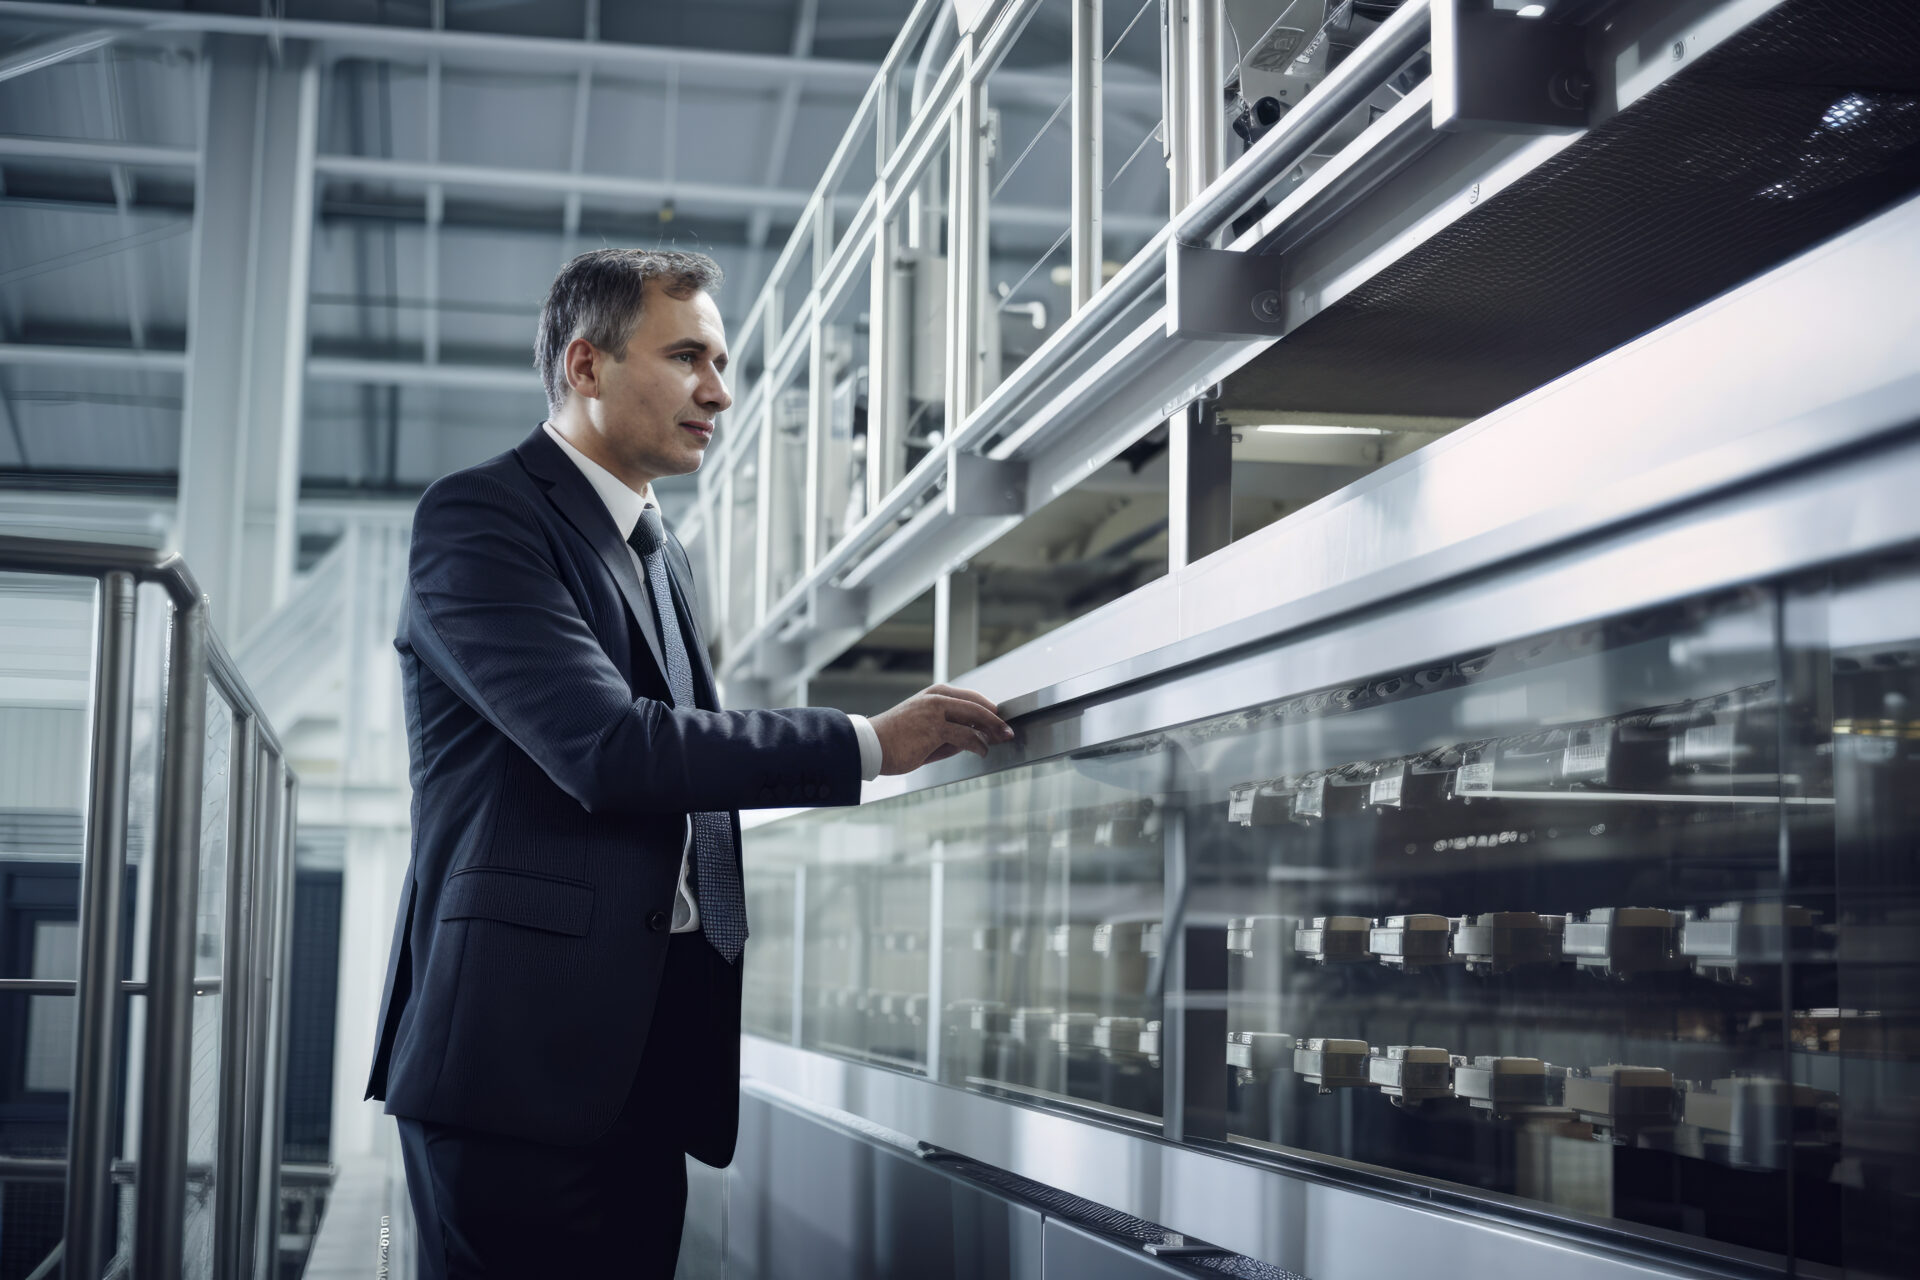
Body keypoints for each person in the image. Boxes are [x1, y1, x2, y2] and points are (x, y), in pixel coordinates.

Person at [364, 248, 1012, 1277]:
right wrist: (866, 742)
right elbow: (610, 748)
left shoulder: (662, 553)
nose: (720, 390)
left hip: (640, 1066)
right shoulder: (481, 518)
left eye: (723, 360)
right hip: (514, 1074)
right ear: (585, 365)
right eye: (688, 357)